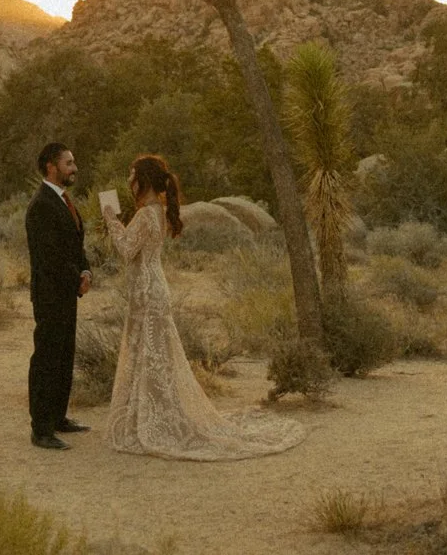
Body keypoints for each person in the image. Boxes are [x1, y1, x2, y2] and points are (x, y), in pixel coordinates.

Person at [100, 154, 305, 460]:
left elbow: (127, 250)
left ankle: (154, 420)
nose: (129, 181)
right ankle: (150, 415)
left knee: (152, 355)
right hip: (154, 287)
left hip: (147, 291)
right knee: (156, 356)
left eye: (132, 175)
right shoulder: (157, 211)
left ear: (142, 180)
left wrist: (111, 219)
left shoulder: (146, 215)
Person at [25, 141, 91, 449]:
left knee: (65, 354)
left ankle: (58, 417)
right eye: (69, 163)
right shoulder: (41, 205)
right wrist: (75, 278)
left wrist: (85, 271)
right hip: (51, 294)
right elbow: (48, 256)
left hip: (67, 292)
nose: (74, 168)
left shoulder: (65, 201)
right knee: (47, 358)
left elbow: (75, 245)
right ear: (52, 167)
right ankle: (41, 428)